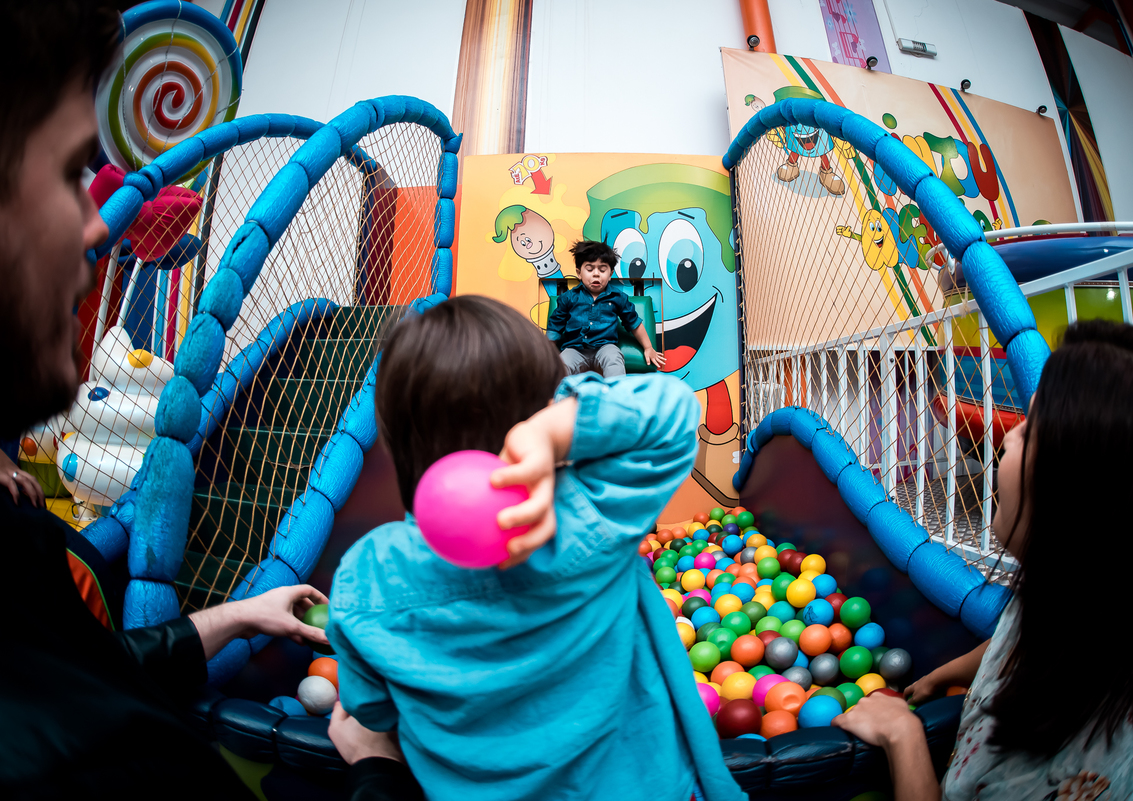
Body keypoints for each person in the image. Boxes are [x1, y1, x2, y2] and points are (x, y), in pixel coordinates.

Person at [0, 1, 416, 796]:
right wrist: (379, 772)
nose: (98, 226)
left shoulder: (20, 551)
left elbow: (95, 666)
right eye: (67, 172)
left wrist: (237, 614)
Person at [327, 295, 746, 801]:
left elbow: (370, 709)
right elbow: (674, 409)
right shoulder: (592, 510)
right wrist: (556, 431)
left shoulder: (365, 576)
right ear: (541, 412)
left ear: (395, 440)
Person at [833, 320, 1133, 801]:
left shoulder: (1060, 748)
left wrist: (903, 737)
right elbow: (1021, 637)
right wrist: (945, 674)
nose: (1006, 439)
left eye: (1031, 430)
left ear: (1076, 499)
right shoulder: (1087, 604)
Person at [546, 239, 666, 376]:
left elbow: (633, 323)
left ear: (610, 274)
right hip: (574, 349)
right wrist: (546, 351)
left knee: (614, 358)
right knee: (562, 364)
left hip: (605, 348)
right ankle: (560, 391)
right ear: (579, 273)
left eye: (602, 270)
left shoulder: (618, 297)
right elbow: (555, 326)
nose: (596, 274)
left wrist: (648, 347)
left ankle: (615, 390)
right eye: (590, 269)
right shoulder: (568, 297)